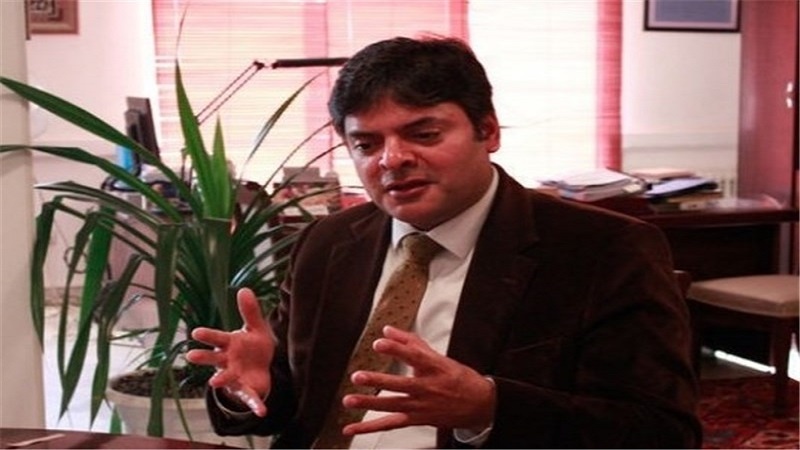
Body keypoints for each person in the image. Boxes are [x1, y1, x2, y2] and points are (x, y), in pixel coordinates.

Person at [187, 36, 701, 448]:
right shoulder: (328, 242)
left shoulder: (604, 250)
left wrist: (489, 408)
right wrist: (253, 385)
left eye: (424, 134)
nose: (391, 159)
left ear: (488, 131)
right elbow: (286, 406)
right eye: (366, 143)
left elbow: (661, 433)